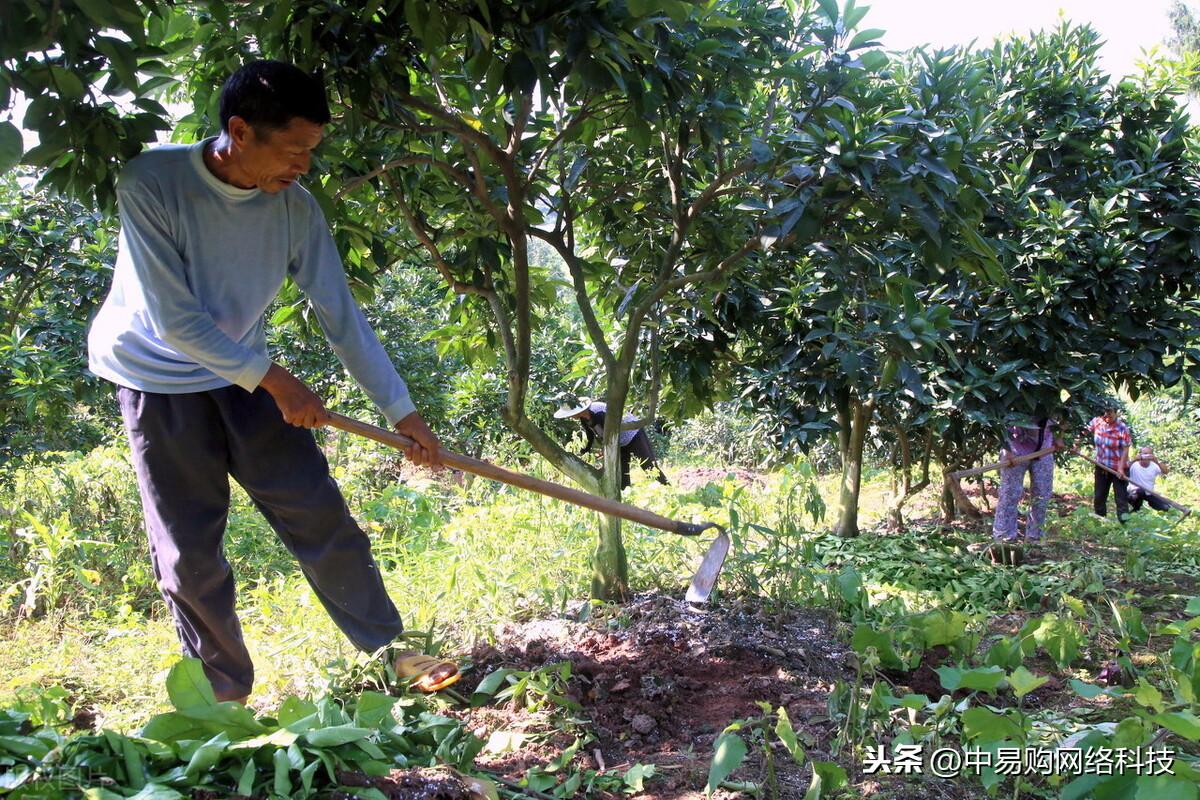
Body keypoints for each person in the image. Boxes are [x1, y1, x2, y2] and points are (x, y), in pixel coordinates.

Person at [87, 61, 457, 703]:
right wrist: (280, 382)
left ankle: (391, 654)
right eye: (292, 151)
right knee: (190, 553)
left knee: (319, 513)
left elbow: (343, 318)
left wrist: (403, 413)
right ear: (239, 131)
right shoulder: (153, 181)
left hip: (247, 379)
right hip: (156, 380)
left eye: (311, 152)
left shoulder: (295, 209)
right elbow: (175, 322)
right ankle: (221, 697)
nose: (303, 167)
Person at [554, 395, 669, 488]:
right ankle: (625, 497)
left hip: (633, 434)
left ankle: (666, 488)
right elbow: (590, 435)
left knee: (648, 466)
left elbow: (611, 433)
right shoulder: (583, 418)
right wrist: (585, 450)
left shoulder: (598, 411)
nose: (570, 417)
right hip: (619, 442)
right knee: (621, 473)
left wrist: (606, 450)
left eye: (571, 414)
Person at [992, 412, 1062, 542]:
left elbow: (1067, 414)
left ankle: (1035, 537)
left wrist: (1059, 436)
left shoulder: (1055, 397)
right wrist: (1007, 450)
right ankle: (1004, 538)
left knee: (1042, 495)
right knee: (1009, 493)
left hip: (1044, 451)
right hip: (1015, 450)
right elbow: (1001, 420)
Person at [1086, 404, 1132, 521]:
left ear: (1116, 413)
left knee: (1121, 499)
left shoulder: (1122, 428)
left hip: (1119, 468)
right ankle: (1100, 521)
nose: (1106, 416)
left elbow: (1126, 449)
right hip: (1102, 467)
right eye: (1104, 413)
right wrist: (1076, 445)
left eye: (1110, 413)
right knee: (1099, 496)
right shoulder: (1097, 422)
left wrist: (1121, 469)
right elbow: (1083, 431)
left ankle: (1125, 525)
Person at [1128, 447, 1171, 512]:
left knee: (1165, 507)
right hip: (1134, 492)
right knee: (1140, 492)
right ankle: (1136, 510)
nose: (1146, 456)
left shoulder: (1154, 466)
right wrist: (1134, 459)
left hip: (1149, 493)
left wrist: (1157, 461)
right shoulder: (1134, 464)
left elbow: (1166, 471)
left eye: (1149, 454)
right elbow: (1124, 468)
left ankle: (1152, 506)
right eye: (1144, 454)